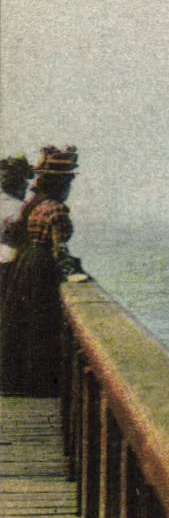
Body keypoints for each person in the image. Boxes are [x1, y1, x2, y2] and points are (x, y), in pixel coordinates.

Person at [1, 146, 87, 395]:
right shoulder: (55, 209)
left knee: (23, 322)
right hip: (42, 267)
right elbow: (59, 249)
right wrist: (74, 272)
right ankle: (41, 384)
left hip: (26, 264)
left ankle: (20, 382)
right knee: (41, 323)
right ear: (61, 184)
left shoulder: (33, 205)